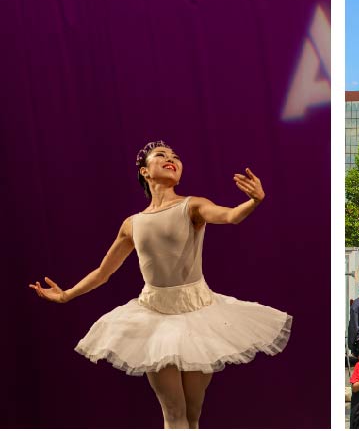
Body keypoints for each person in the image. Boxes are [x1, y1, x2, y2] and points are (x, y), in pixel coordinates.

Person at [30, 141, 290, 428]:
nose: (171, 159)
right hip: (154, 317)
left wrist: (253, 202)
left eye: (175, 156)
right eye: (162, 156)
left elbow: (228, 216)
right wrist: (66, 295)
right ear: (145, 171)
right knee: (174, 412)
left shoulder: (193, 206)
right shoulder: (133, 224)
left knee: (193, 412)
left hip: (198, 313)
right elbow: (104, 271)